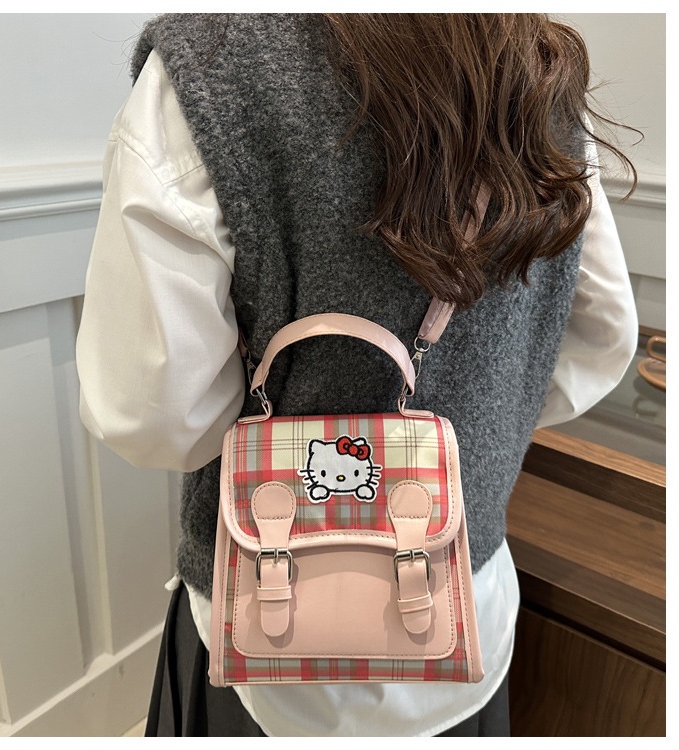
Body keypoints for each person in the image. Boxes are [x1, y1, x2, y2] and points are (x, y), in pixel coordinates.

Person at [75, 14, 638, 737]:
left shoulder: (212, 63)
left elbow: (154, 418)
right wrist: (474, 427)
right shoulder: (540, 69)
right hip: (467, 608)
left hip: (265, 626)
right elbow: (602, 340)